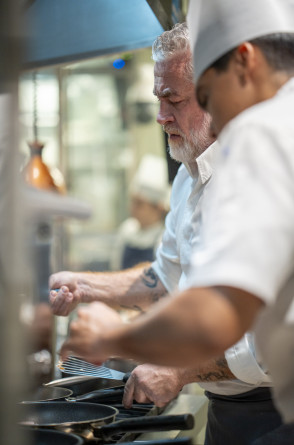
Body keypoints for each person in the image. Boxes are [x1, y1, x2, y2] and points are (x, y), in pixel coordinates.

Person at [49, 23, 288, 445]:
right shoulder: (190, 175)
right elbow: (167, 281)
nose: (161, 116)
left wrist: (180, 369)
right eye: (157, 99)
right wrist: (87, 285)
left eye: (173, 99)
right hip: (229, 414)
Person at [110, 154, 169, 271]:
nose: (132, 208)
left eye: (139, 204)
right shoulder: (127, 229)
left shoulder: (164, 237)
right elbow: (115, 269)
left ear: (158, 208)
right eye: (132, 201)